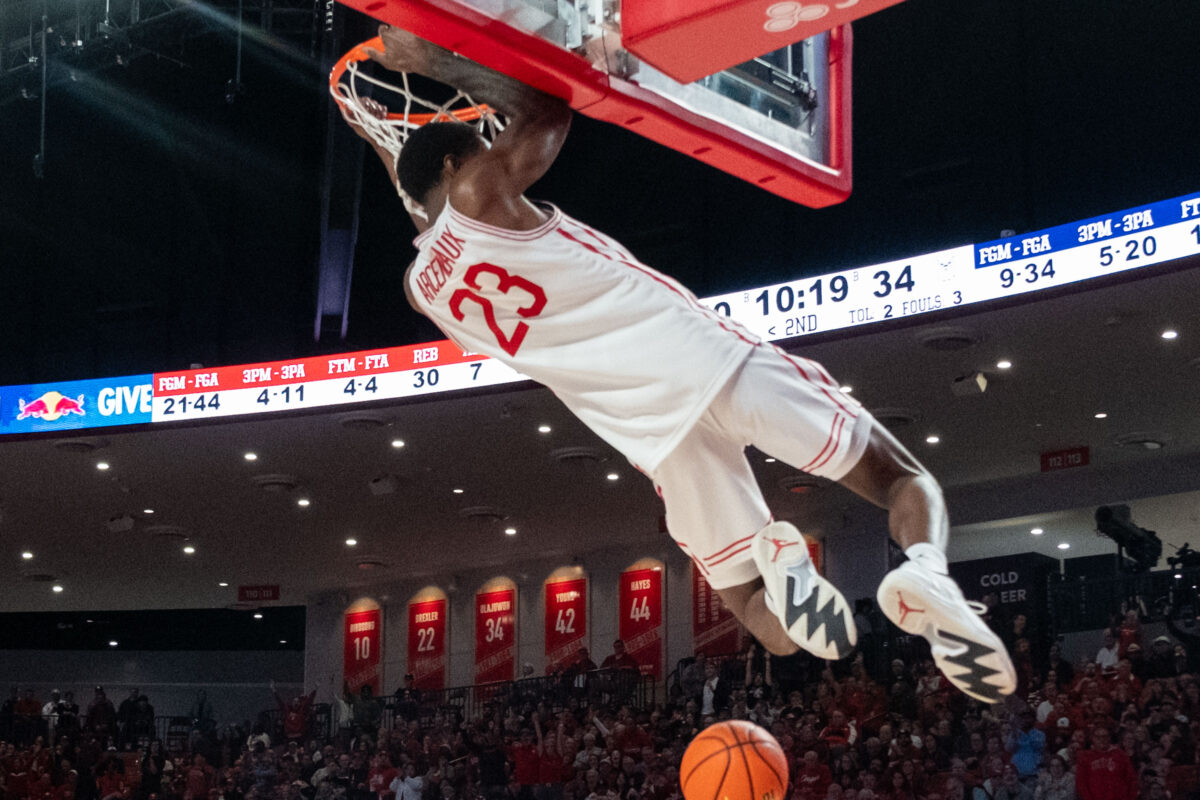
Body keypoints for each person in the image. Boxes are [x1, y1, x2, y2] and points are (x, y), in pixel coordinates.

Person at [350, 24, 1016, 703]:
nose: (494, 152)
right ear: (458, 168)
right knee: (901, 478)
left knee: (757, 616)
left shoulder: (422, 292)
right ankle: (927, 569)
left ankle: (789, 598)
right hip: (709, 362)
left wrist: (387, 142)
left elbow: (427, 213)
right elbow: (545, 112)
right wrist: (437, 61)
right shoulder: (476, 195)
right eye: (480, 152)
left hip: (655, 440)